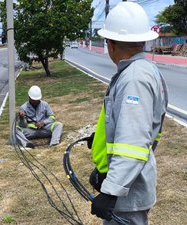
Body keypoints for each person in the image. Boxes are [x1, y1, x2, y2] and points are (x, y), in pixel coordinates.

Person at [88, 2, 169, 225]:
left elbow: (133, 141)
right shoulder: (144, 70)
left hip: (127, 194)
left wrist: (111, 191)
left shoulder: (134, 79)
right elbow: (135, 126)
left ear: (111, 44)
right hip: (130, 184)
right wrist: (101, 141)